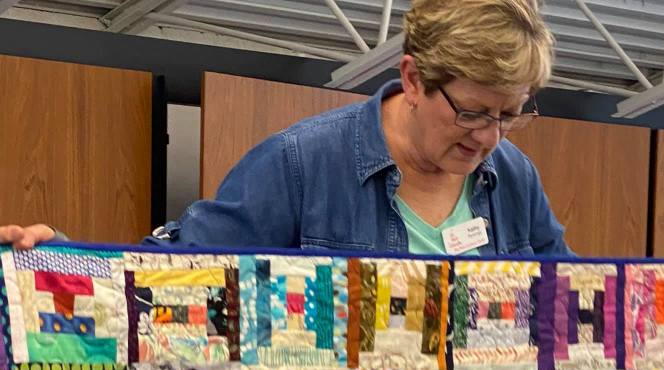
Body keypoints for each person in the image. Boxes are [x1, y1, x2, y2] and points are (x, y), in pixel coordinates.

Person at [2, 0, 570, 258]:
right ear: (414, 78)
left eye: (510, 114)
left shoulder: (513, 177)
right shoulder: (303, 163)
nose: (489, 137)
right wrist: (59, 260)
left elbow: (570, 304)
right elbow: (174, 276)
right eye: (472, 112)